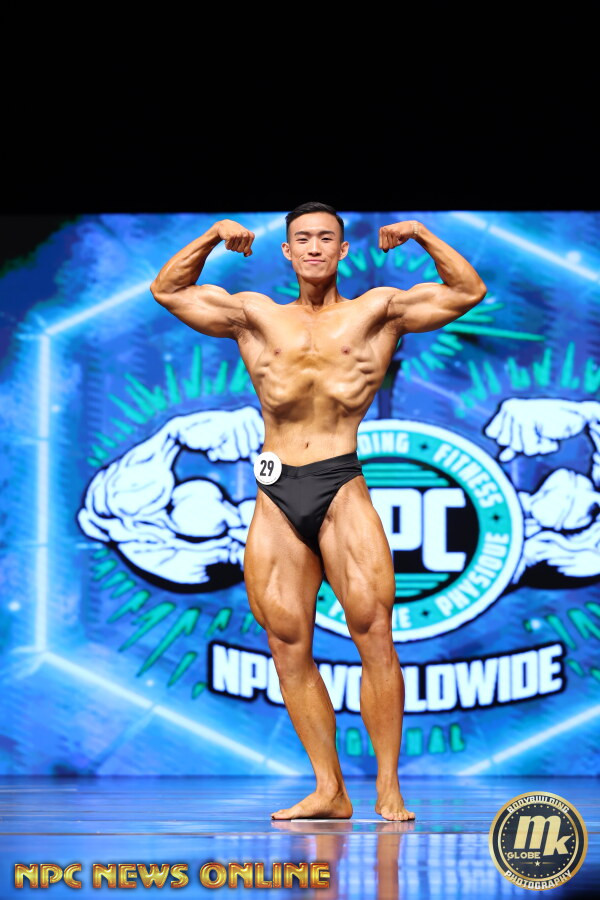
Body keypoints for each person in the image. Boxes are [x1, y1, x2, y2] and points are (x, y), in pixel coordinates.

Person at [150, 201, 487, 820]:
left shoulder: (378, 311)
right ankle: (329, 789)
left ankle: (388, 786)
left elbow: (467, 291)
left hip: (340, 482)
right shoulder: (254, 316)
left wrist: (420, 233)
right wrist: (212, 235)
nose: (313, 247)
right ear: (286, 250)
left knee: (373, 632)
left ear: (342, 250)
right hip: (276, 490)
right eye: (302, 238)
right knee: (286, 642)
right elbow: (168, 290)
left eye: (325, 238)